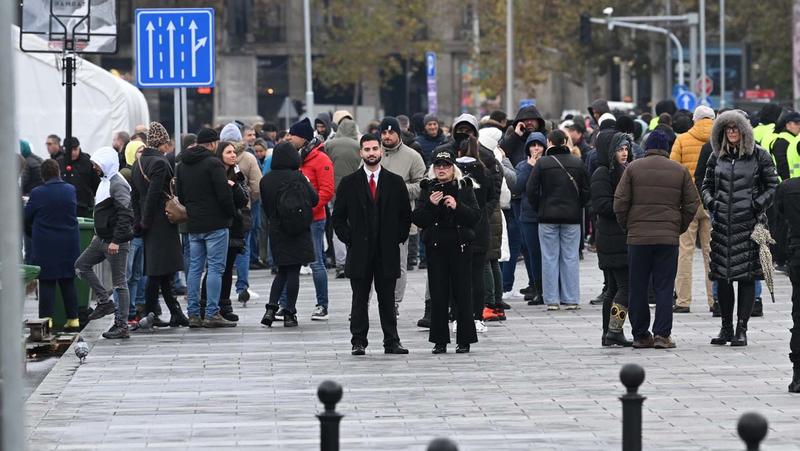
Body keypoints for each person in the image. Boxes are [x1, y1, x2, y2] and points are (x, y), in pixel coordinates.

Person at [614, 130, 699, 349]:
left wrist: (629, 226)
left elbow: (620, 203)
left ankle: (641, 335)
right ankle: (662, 335)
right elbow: (692, 203)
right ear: (667, 148)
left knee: (638, 286)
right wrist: (677, 227)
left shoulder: (633, 168)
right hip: (667, 239)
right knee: (663, 286)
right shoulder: (678, 170)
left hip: (638, 239)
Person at [703, 110, 778, 347]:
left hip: (748, 225)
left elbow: (772, 185)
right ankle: (726, 327)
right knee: (723, 277)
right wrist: (712, 202)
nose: (732, 132)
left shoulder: (760, 156)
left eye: (736, 128)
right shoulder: (717, 157)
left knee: (746, 277)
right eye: (728, 128)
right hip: (723, 226)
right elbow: (705, 184)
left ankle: (741, 328)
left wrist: (757, 205)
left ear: (744, 131)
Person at [332, 133, 412, 355]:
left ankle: (392, 341)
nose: (371, 153)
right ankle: (358, 340)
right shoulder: (349, 183)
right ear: (361, 153)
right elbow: (338, 217)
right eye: (367, 150)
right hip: (359, 250)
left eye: (374, 149)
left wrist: (397, 237)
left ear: (381, 151)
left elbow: (405, 215)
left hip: (387, 250)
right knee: (359, 299)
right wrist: (350, 238)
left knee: (387, 299)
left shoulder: (395, 182)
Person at [413, 148, 481, 353]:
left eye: (446, 165)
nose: (442, 169)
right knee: (438, 294)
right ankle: (439, 340)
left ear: (453, 168)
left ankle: (465, 339)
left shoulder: (464, 186)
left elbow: (475, 217)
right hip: (436, 247)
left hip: (460, 246)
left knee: (462, 293)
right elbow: (418, 219)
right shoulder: (427, 187)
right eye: (438, 166)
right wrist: (432, 206)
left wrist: (457, 206)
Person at [176, 127, 238, 328]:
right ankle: (212, 313)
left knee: (194, 268)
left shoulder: (182, 164)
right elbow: (223, 195)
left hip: (193, 224)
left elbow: (182, 196)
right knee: (215, 269)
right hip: (216, 224)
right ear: (212, 144)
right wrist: (230, 214)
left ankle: (193, 314)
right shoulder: (214, 164)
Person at [526, 129, 590, 311]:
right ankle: (571, 299)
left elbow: (531, 190)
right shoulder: (577, 163)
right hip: (572, 217)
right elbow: (587, 190)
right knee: (570, 257)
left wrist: (539, 206)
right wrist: (578, 205)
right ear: (565, 142)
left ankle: (552, 299)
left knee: (549, 257)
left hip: (547, 217)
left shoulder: (542, 163)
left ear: (549, 142)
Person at [75, 147, 134, 339]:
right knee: (81, 266)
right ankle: (104, 301)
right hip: (100, 239)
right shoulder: (105, 181)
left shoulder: (117, 184)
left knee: (119, 283)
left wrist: (117, 240)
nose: (94, 168)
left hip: (114, 242)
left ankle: (121, 325)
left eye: (96, 164)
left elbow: (126, 214)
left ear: (105, 164)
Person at [132, 122, 187, 328]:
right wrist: (146, 221)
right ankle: (150, 311)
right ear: (161, 143)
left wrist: (139, 221)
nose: (169, 147)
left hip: (148, 223)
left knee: (164, 269)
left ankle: (174, 312)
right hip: (161, 221)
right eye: (167, 143)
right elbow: (154, 195)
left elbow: (135, 195)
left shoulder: (138, 163)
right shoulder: (160, 163)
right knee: (157, 270)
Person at [260, 142, 319, 327]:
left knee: (282, 271)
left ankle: (271, 308)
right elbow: (315, 199)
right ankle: (289, 313)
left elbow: (267, 207)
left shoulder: (266, 180)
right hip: (298, 230)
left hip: (277, 231)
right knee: (293, 272)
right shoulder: (299, 177)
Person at [25, 159, 80, 330]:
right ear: (57, 172)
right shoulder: (70, 190)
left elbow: (26, 217)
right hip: (68, 243)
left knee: (47, 282)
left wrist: (32, 233)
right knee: (68, 281)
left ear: (43, 174)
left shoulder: (37, 193)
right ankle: (73, 320)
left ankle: (46, 321)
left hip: (45, 244)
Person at [670, 105, 715, 314]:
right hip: (713, 200)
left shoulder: (682, 139)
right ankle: (715, 299)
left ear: (694, 120)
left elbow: (673, 169)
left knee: (685, 251)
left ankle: (683, 300)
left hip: (687, 201)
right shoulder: (720, 140)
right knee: (712, 252)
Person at [379, 116, 426, 317]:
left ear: (399, 133)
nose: (387, 136)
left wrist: (397, 189)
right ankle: (364, 302)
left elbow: (423, 185)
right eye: (384, 132)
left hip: (400, 219)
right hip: (374, 219)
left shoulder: (413, 156)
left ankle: (395, 302)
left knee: (398, 264)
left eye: (391, 132)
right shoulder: (373, 152)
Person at [591, 133, 633, 347]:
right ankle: (614, 330)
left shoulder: (624, 170)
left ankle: (608, 333)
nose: (624, 153)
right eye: (619, 149)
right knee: (626, 287)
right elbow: (602, 206)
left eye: (626, 148)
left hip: (619, 237)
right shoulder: (603, 173)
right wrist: (626, 207)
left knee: (614, 288)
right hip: (612, 239)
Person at [200, 141, 250, 321]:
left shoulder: (237, 174)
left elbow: (244, 199)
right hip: (218, 226)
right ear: (220, 154)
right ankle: (206, 305)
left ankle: (224, 305)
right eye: (228, 152)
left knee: (228, 268)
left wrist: (234, 185)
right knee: (214, 268)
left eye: (234, 152)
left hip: (234, 227)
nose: (233, 155)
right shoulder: (214, 172)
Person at [325, 118, 362, 278]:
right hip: (356, 191)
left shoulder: (329, 145)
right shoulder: (358, 146)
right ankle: (357, 259)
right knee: (358, 224)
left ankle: (341, 263)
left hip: (334, 191)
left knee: (337, 225)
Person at [512, 132, 546, 306]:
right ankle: (536, 287)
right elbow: (517, 187)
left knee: (545, 253)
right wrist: (529, 167)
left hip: (546, 214)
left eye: (539, 145)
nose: (536, 148)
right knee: (532, 252)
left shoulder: (548, 164)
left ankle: (547, 288)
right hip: (528, 215)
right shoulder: (522, 165)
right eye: (533, 145)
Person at [774, 175, 800, 392]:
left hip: (798, 255)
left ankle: (798, 374)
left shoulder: (788, 188)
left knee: (799, 315)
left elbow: (779, 223)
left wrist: (781, 256)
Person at [58, 136, 100, 218]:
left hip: (84, 205)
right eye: (70, 150)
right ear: (65, 149)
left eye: (75, 149)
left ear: (79, 148)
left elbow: (96, 183)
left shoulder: (88, 161)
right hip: (64, 205)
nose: (73, 152)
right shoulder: (60, 162)